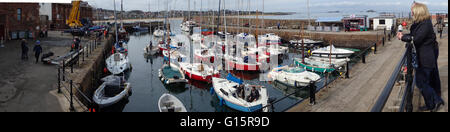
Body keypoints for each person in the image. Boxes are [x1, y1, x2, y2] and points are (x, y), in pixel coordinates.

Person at [397, 2, 444, 112]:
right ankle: (430, 104)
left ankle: (437, 100)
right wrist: (404, 36)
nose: (411, 12)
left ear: (418, 11)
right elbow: (414, 36)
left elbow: (416, 39)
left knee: (421, 82)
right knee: (425, 81)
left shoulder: (425, 24)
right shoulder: (422, 23)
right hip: (424, 56)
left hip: (425, 57)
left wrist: (402, 37)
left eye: (413, 11)